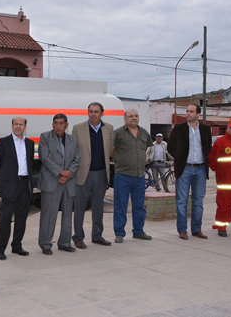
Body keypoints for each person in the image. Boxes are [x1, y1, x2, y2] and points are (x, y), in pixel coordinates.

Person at [71, 102, 114, 249]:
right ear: (87, 112)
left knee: (98, 207)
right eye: (91, 111)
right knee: (79, 207)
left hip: (101, 173)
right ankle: (78, 237)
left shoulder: (108, 128)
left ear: (102, 113)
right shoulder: (78, 128)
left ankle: (97, 236)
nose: (93, 114)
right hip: (84, 174)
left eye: (96, 112)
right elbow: (74, 152)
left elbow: (109, 151)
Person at [0, 117, 35, 260]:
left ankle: (17, 246)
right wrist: (5, 179)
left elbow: (30, 164)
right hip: (9, 184)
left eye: (20, 124)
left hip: (24, 184)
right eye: (15, 124)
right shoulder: (3, 142)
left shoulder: (30, 143)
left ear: (25, 127)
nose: (18, 127)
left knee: (21, 218)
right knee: (5, 218)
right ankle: (0, 248)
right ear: (12, 126)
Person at [167, 104, 212, 240]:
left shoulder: (205, 129)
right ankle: (182, 230)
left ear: (198, 114)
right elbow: (170, 146)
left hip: (200, 169)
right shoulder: (179, 129)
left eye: (191, 111)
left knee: (198, 201)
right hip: (185, 168)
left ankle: (197, 229)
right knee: (182, 201)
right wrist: (180, 157)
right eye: (187, 111)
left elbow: (208, 147)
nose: (188, 113)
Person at [38, 113, 80, 255]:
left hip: (68, 183)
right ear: (52, 125)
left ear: (66, 125)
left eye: (61, 123)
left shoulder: (73, 140)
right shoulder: (45, 137)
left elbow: (77, 159)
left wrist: (67, 175)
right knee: (48, 215)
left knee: (67, 214)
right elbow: (45, 158)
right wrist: (61, 173)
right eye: (55, 123)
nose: (58, 126)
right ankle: (45, 244)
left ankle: (64, 242)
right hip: (52, 181)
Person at [112, 109, 154, 243]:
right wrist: (121, 160)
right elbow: (111, 150)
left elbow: (146, 149)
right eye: (130, 116)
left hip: (140, 176)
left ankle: (138, 231)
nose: (134, 118)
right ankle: (119, 233)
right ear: (125, 119)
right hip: (123, 175)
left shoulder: (144, 133)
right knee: (120, 206)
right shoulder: (118, 133)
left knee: (139, 206)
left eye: (136, 116)